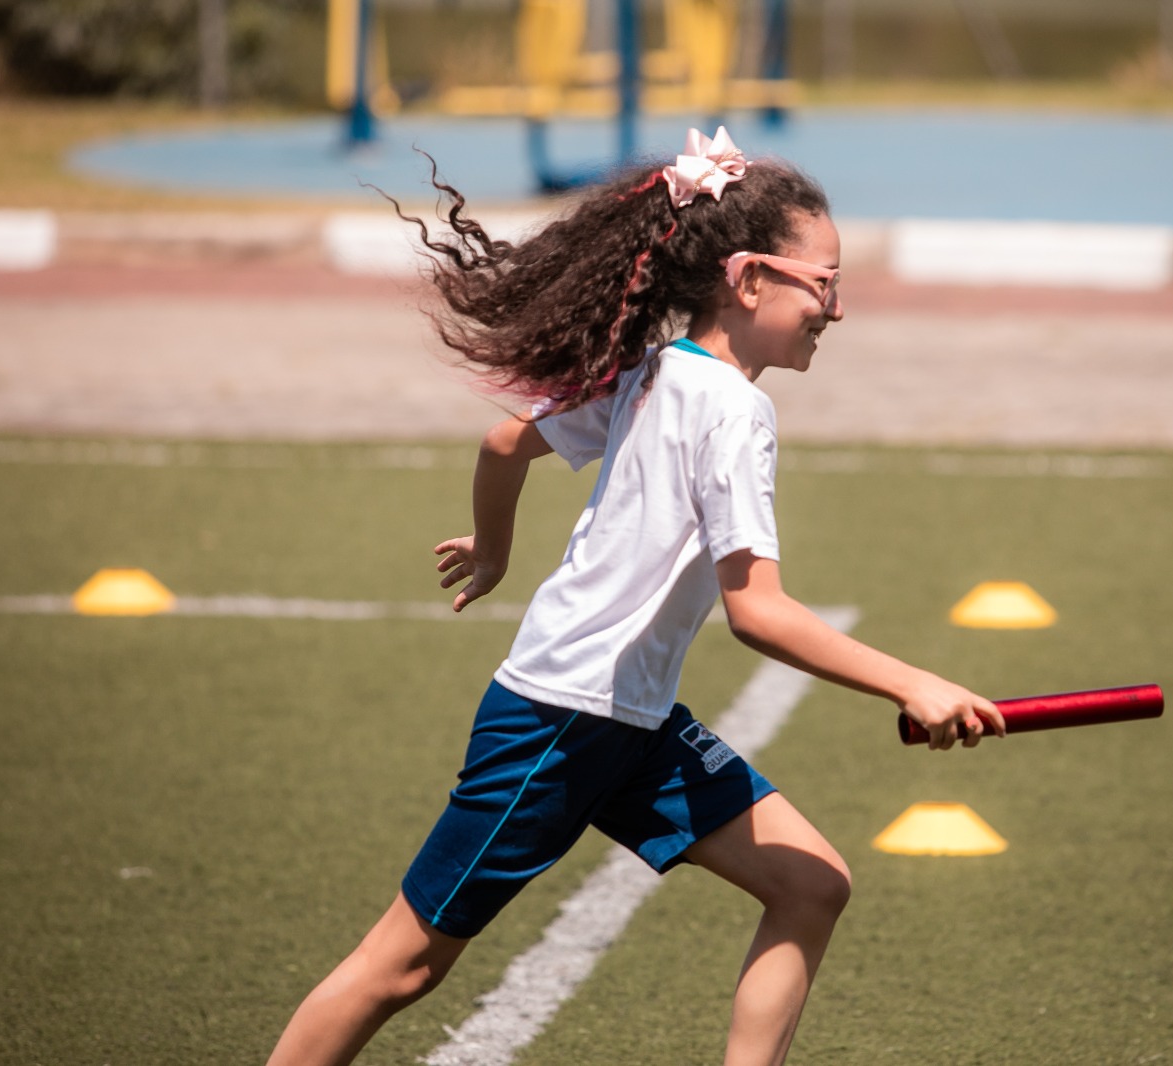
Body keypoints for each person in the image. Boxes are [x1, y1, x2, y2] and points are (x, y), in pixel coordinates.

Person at [266, 127, 1004, 1066]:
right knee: (400, 967)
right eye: (823, 283)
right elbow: (757, 611)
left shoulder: (653, 369)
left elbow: (503, 446)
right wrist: (912, 681)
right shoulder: (735, 411)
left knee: (812, 884)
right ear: (748, 280)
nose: (838, 307)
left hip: (631, 720)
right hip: (560, 719)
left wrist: (495, 552)